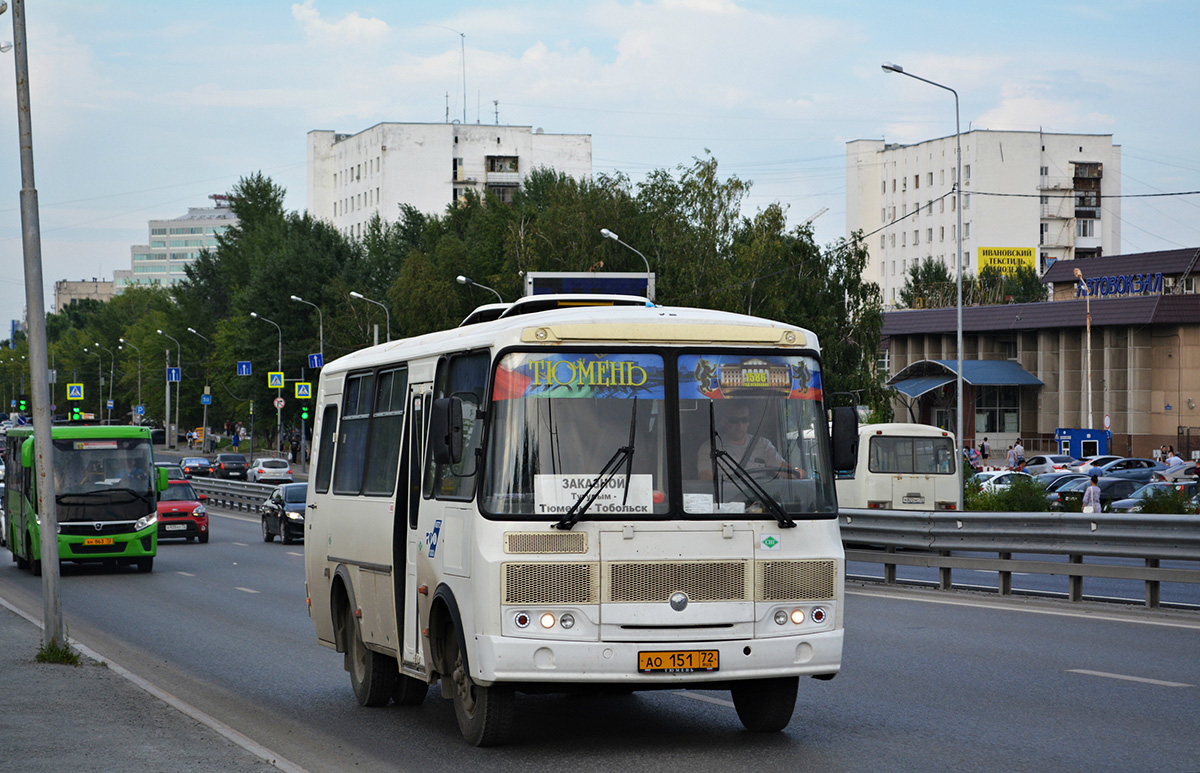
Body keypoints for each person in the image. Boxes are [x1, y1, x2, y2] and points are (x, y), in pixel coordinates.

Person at [698, 404, 801, 481]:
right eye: (734, 420)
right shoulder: (710, 447)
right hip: (728, 503)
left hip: (761, 501)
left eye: (744, 420)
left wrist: (797, 472)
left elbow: (782, 469)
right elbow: (706, 479)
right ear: (723, 421)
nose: (740, 425)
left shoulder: (762, 444)